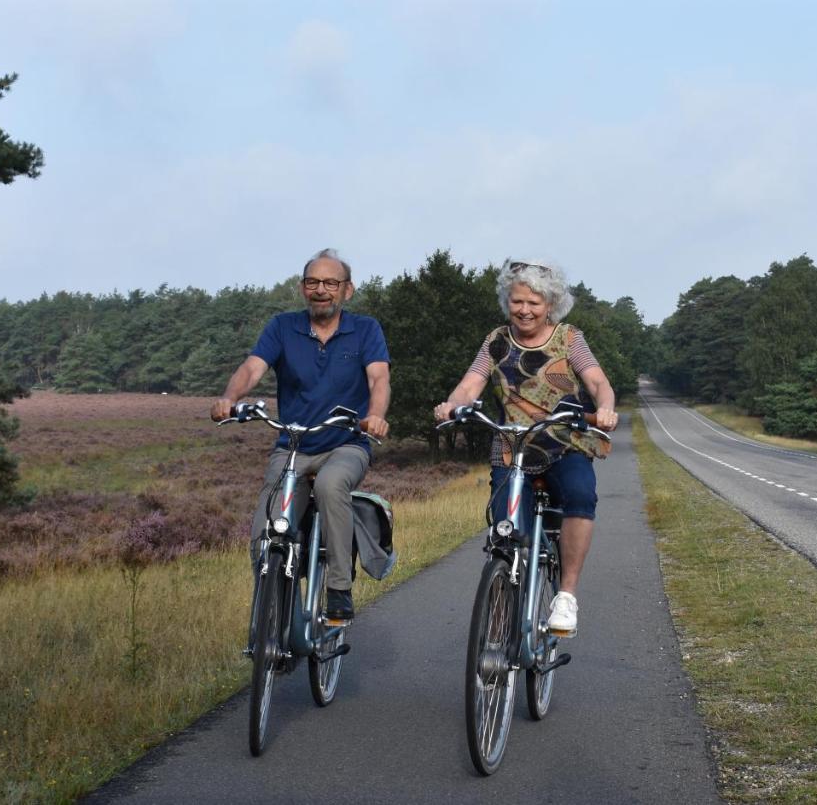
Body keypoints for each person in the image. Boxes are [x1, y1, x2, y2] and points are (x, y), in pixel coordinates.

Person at [434, 259, 617, 636]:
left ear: (551, 304)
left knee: (581, 495)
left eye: (534, 303)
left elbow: (598, 382)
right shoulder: (496, 340)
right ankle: (501, 615)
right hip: (512, 447)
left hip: (564, 442)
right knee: (504, 536)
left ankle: (565, 595)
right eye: (518, 301)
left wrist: (606, 408)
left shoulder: (569, 339)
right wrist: (453, 405)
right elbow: (471, 384)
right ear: (508, 302)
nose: (525, 310)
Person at [211, 248, 391, 622]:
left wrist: (374, 415)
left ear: (347, 290)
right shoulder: (282, 326)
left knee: (329, 485)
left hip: (345, 444)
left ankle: (338, 587)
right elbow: (252, 368)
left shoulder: (365, 329)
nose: (321, 290)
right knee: (265, 531)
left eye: (330, 283)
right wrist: (230, 397)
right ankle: (276, 619)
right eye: (313, 282)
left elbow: (379, 377)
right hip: (292, 446)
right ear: (302, 287)